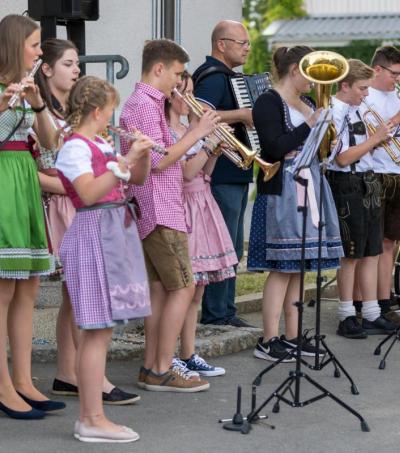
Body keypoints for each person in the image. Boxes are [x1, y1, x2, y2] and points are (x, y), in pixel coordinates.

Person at [0, 14, 64, 420]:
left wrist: (38, 103)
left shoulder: (32, 84)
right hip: (0, 182)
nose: (40, 52)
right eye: (35, 44)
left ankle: (23, 381)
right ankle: (0, 386)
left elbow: (51, 142)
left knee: (28, 286)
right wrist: (1, 105)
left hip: (25, 180)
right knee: (1, 287)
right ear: (15, 43)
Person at [32, 38, 139, 405]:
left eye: (77, 64)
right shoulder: (43, 112)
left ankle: (70, 373)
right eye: (68, 63)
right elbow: (40, 169)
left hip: (85, 206)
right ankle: (85, 379)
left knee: (75, 298)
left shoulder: (72, 116)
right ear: (46, 69)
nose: (75, 69)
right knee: (82, 301)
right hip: (65, 205)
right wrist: (72, 187)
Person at [55, 75, 154, 442]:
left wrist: (140, 157)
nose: (112, 119)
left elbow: (135, 180)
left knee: (103, 329)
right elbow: (88, 192)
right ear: (97, 111)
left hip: (112, 232)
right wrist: (124, 158)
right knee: (95, 329)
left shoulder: (100, 142)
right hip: (93, 232)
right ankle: (91, 418)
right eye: (110, 111)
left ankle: (93, 417)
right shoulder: (75, 148)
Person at [120, 39, 220, 392]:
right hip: (159, 206)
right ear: (158, 68)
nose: (179, 83)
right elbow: (159, 160)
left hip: (156, 206)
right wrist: (197, 132)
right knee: (184, 285)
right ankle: (163, 367)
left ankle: (152, 367)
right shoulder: (146, 106)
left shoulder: (147, 103)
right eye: (177, 74)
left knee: (162, 290)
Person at [248, 46, 344, 361]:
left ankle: (292, 336)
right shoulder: (267, 102)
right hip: (282, 188)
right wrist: (309, 124)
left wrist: (329, 137)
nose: (315, 82)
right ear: (294, 71)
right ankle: (268, 339)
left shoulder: (305, 103)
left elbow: (316, 148)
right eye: (310, 75)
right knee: (281, 268)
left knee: (299, 268)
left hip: (308, 183)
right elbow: (274, 148)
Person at [167, 72, 233, 378]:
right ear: (169, 95)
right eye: (184, 93)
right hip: (184, 208)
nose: (189, 99)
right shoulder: (169, 131)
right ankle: (169, 356)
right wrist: (207, 143)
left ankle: (189, 353)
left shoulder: (188, 127)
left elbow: (205, 171)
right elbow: (185, 173)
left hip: (203, 203)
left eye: (192, 92)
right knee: (185, 286)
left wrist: (217, 148)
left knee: (198, 291)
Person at [191, 20, 256, 328]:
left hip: (236, 171)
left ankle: (226, 309)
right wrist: (242, 115)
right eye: (242, 43)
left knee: (232, 244)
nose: (247, 48)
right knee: (223, 243)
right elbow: (197, 115)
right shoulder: (213, 78)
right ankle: (217, 313)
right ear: (221, 44)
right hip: (221, 172)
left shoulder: (231, 78)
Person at [326, 59, 397, 339]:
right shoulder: (333, 112)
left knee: (371, 250)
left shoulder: (359, 110)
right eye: (361, 88)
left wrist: (378, 139)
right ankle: (346, 315)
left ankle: (370, 313)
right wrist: (375, 139)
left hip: (369, 180)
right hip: (346, 183)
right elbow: (342, 158)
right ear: (345, 85)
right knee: (351, 253)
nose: (366, 94)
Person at [363, 45, 400, 327]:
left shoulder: (396, 94)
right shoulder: (365, 95)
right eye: (394, 73)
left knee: (391, 243)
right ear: (378, 69)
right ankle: (372, 305)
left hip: (398, 173)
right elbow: (374, 134)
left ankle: (386, 301)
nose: (398, 79)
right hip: (375, 174)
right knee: (374, 245)